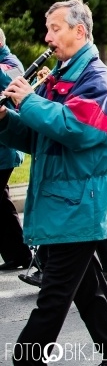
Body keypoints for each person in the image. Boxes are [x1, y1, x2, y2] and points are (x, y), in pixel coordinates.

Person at [0, 0, 107, 365]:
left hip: (80, 201)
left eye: (54, 29)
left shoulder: (98, 79)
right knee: (88, 291)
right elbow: (38, 137)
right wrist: (6, 120)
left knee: (53, 299)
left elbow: (79, 129)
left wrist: (29, 101)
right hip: (64, 201)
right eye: (48, 29)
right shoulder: (59, 76)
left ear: (79, 30)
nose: (47, 38)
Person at [0, 30, 32, 272]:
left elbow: (16, 91)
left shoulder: (10, 64)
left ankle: (21, 254)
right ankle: (18, 254)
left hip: (6, 146)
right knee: (2, 205)